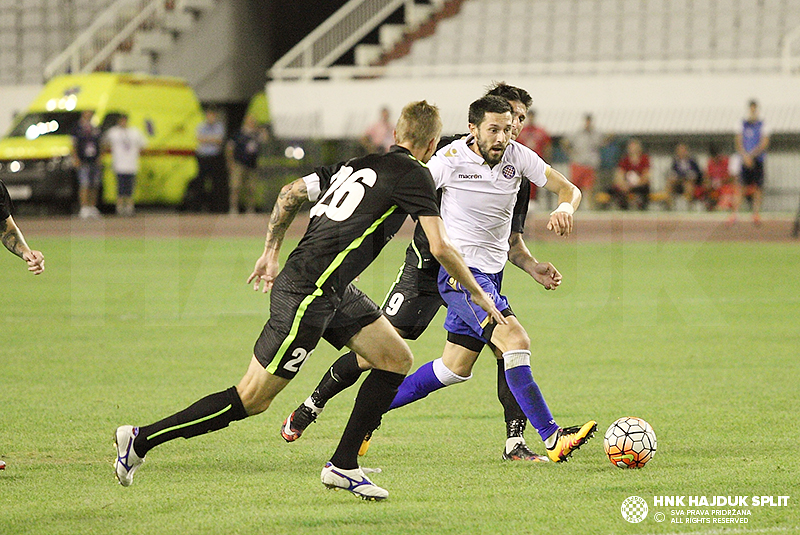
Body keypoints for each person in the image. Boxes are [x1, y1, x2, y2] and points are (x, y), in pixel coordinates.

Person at [112, 100, 505, 501]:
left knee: (395, 358)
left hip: (330, 288)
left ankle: (343, 465)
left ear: (395, 135)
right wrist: (478, 295)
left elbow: (290, 192)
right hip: (308, 293)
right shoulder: (415, 174)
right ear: (432, 142)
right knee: (252, 398)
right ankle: (140, 440)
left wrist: (270, 250)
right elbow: (440, 246)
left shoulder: (355, 164)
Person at [284, 94, 596, 465]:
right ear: (473, 128)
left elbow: (565, 192)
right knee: (510, 340)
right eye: (495, 128)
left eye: (510, 127)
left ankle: (372, 415)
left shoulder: (519, 159)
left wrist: (561, 213)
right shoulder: (447, 160)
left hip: (489, 275)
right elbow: (400, 189)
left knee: (455, 367)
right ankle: (552, 436)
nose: (504, 135)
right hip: (451, 273)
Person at [730, 99, 770, 225]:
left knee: (758, 187)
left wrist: (752, 155)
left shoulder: (763, 124)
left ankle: (756, 214)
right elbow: (738, 141)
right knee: (741, 186)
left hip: (757, 159)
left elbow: (764, 142)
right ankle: (735, 214)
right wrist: (745, 156)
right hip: (744, 160)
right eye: (751, 109)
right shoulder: (741, 124)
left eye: (755, 109)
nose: (753, 111)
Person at [104, 114, 146, 216]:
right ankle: (120, 207)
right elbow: (104, 143)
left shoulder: (135, 132)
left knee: (130, 188)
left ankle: (129, 207)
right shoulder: (113, 132)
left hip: (131, 164)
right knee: (120, 187)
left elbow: (143, 145)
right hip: (119, 164)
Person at [562, 113, 604, 209]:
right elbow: (565, 142)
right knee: (575, 189)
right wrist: (570, 153)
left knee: (589, 189)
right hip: (578, 163)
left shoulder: (596, 134)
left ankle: (590, 209)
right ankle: (573, 208)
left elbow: (602, 143)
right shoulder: (577, 133)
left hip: (590, 165)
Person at [227, 115, 267, 215]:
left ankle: (250, 208)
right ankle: (233, 208)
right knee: (235, 187)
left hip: (252, 165)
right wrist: (230, 162)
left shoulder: (256, 134)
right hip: (239, 164)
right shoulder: (239, 134)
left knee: (251, 188)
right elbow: (230, 148)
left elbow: (265, 140)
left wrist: (262, 131)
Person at [193, 108, 228, 212]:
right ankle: (199, 207)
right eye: (209, 115)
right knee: (201, 182)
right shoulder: (200, 126)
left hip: (215, 157)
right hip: (203, 157)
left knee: (216, 183)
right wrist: (212, 139)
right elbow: (199, 139)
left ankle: (215, 208)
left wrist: (206, 139)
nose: (210, 118)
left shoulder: (219, 126)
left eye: (212, 116)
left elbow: (219, 140)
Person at [71, 110, 103, 219]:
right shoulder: (77, 128)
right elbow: (73, 145)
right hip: (83, 160)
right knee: (84, 184)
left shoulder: (94, 127)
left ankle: (92, 207)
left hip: (93, 159)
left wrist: (99, 157)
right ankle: (84, 207)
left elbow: (100, 143)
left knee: (94, 184)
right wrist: (76, 158)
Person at [611, 138, 651, 210]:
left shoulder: (644, 159)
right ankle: (623, 210)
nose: (632, 149)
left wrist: (634, 185)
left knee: (644, 189)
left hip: (639, 185)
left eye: (634, 147)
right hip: (627, 185)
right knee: (617, 191)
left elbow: (646, 177)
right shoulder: (624, 160)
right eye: (631, 147)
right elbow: (619, 175)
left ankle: (642, 209)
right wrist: (623, 185)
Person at [666, 143, 704, 210]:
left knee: (688, 185)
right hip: (678, 182)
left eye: (683, 151)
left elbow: (698, 173)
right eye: (679, 151)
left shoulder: (692, 161)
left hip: (689, 182)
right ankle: (670, 206)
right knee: (669, 184)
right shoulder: (675, 162)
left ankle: (688, 206)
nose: (681, 153)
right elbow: (672, 172)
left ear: (686, 151)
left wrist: (692, 175)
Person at [705, 144, 734, 211]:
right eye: (714, 158)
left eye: (717, 157)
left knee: (728, 189)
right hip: (713, 187)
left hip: (725, 185)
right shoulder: (710, 162)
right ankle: (710, 206)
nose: (716, 159)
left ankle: (722, 206)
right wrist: (710, 183)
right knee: (706, 188)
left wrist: (721, 181)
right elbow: (706, 177)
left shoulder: (727, 161)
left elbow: (732, 178)